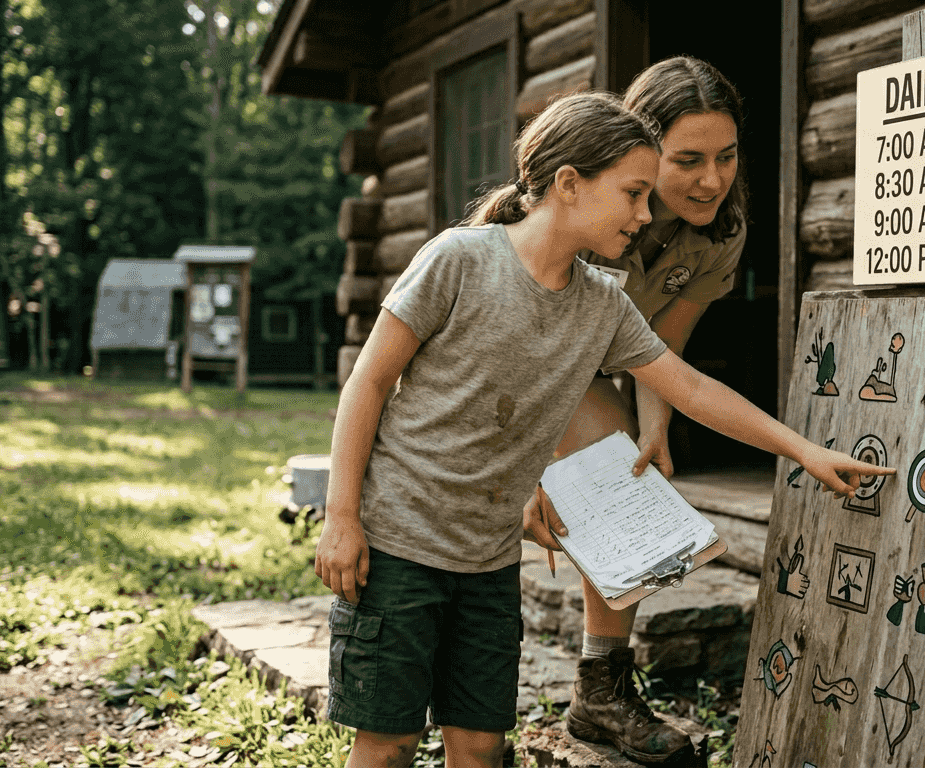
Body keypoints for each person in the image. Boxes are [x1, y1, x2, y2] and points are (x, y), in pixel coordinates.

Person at [315, 91, 892, 768]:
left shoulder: (603, 304)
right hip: (398, 547)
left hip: (489, 563)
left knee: (479, 748)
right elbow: (369, 383)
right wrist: (341, 515)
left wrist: (801, 449)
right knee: (386, 747)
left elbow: (691, 388)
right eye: (634, 194)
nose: (646, 215)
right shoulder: (459, 261)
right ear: (569, 183)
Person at [518, 56, 753, 764]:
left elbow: (664, 344)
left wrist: (655, 426)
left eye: (727, 156)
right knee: (586, 484)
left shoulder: (718, 232)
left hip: (607, 361)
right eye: (687, 161)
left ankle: (601, 692)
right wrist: (531, 464)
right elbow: (515, 347)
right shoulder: (580, 211)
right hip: (519, 365)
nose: (712, 179)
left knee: (629, 478)